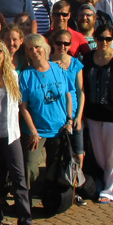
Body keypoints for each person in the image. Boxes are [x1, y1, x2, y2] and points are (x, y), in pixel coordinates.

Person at [0, 42, 36, 225]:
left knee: (19, 174)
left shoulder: (13, 75)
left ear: (4, 54)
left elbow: (22, 106)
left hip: (11, 132)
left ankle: (25, 218)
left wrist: (32, 129)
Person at [19, 34, 72, 221]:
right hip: (36, 132)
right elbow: (23, 107)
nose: (35, 51)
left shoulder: (59, 69)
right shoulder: (25, 75)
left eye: (38, 47)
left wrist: (70, 119)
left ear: (45, 48)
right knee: (30, 168)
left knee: (54, 169)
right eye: (30, 49)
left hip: (59, 130)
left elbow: (68, 95)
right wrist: (33, 130)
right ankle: (25, 207)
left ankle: (51, 202)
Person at [81, 25, 113, 203]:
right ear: (95, 39)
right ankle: (102, 183)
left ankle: (110, 191)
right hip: (93, 114)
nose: (104, 42)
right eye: (101, 38)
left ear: (112, 40)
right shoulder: (88, 58)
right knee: (98, 154)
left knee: (112, 153)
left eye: (108, 39)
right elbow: (83, 86)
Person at [49, 28, 86, 202]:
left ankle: (75, 186)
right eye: (59, 43)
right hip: (56, 116)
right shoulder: (47, 62)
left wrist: (78, 116)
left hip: (73, 115)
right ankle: (58, 188)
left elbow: (80, 91)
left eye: (66, 43)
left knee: (78, 153)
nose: (62, 46)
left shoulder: (76, 63)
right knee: (57, 153)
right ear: (53, 43)